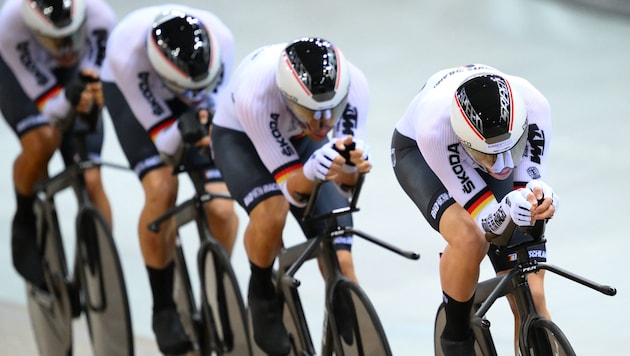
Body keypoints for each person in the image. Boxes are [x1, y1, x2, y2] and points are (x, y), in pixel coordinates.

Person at [211, 37, 372, 355]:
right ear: (287, 97)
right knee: (272, 211)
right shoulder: (256, 94)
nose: (322, 122)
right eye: (310, 110)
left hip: (299, 139)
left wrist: (351, 169)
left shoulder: (355, 88)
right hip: (242, 139)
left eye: (331, 111)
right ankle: (260, 291)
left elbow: (346, 185)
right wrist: (312, 172)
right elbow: (294, 194)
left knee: (341, 256)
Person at [390, 64, 559, 355]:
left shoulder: (535, 107)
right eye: (491, 156)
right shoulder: (435, 128)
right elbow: (486, 221)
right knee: (471, 238)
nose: (505, 165)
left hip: (480, 144)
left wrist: (540, 198)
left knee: (533, 295)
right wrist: (506, 207)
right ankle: (455, 336)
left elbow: (527, 182)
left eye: (513, 150)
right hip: (421, 153)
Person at [100, 5, 238, 354]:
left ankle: (217, 290)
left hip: (193, 89)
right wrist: (186, 128)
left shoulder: (222, 38)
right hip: (133, 94)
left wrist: (209, 126)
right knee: (162, 187)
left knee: (222, 209)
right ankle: (162, 306)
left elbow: (220, 110)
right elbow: (165, 140)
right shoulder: (126, 55)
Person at [0, 0, 116, 289]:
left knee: (90, 175)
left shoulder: (100, 16)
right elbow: (52, 108)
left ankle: (103, 262)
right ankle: (24, 219)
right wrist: (71, 97)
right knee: (43, 139)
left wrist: (90, 91)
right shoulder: (10, 26)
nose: (65, 49)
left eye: (72, 37)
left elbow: (95, 78)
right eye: (56, 39)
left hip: (77, 72)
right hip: (19, 72)